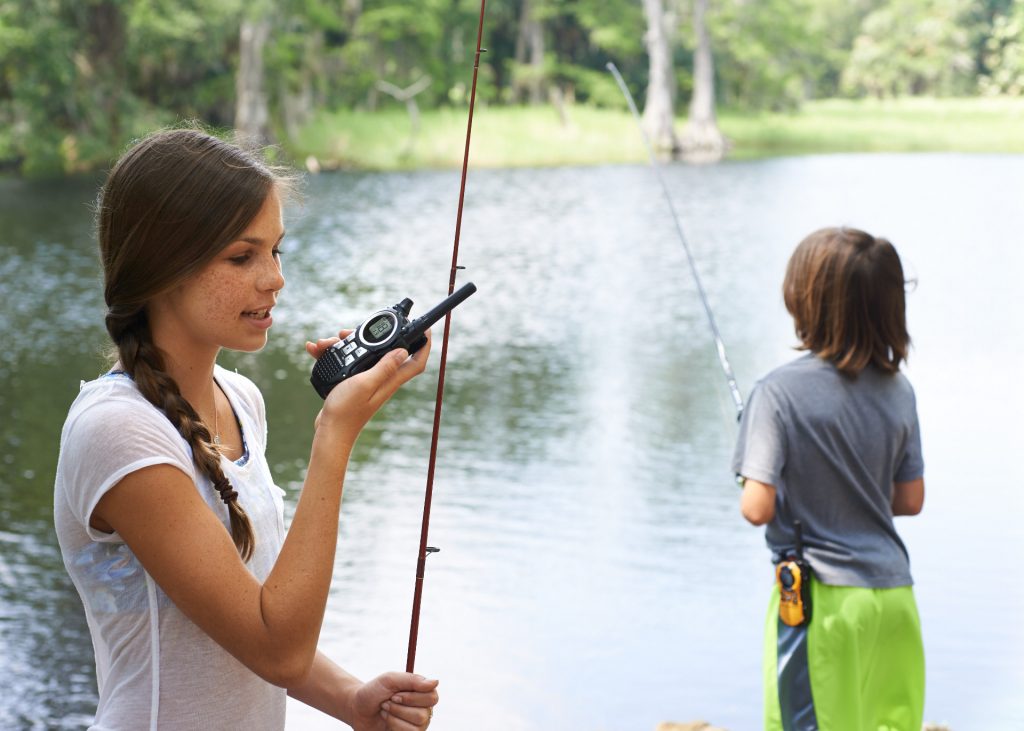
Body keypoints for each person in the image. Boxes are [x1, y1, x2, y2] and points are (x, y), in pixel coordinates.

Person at [53, 128, 440, 730]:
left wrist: (353, 701)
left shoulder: (241, 399)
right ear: (163, 268)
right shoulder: (118, 431)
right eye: (242, 256)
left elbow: (251, 620)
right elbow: (276, 649)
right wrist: (334, 434)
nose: (274, 279)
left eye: (276, 250)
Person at [732, 227, 926, 731]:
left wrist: (760, 472)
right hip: (894, 602)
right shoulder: (899, 390)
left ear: (804, 302)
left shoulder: (776, 393)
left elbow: (757, 508)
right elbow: (909, 499)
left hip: (823, 607)